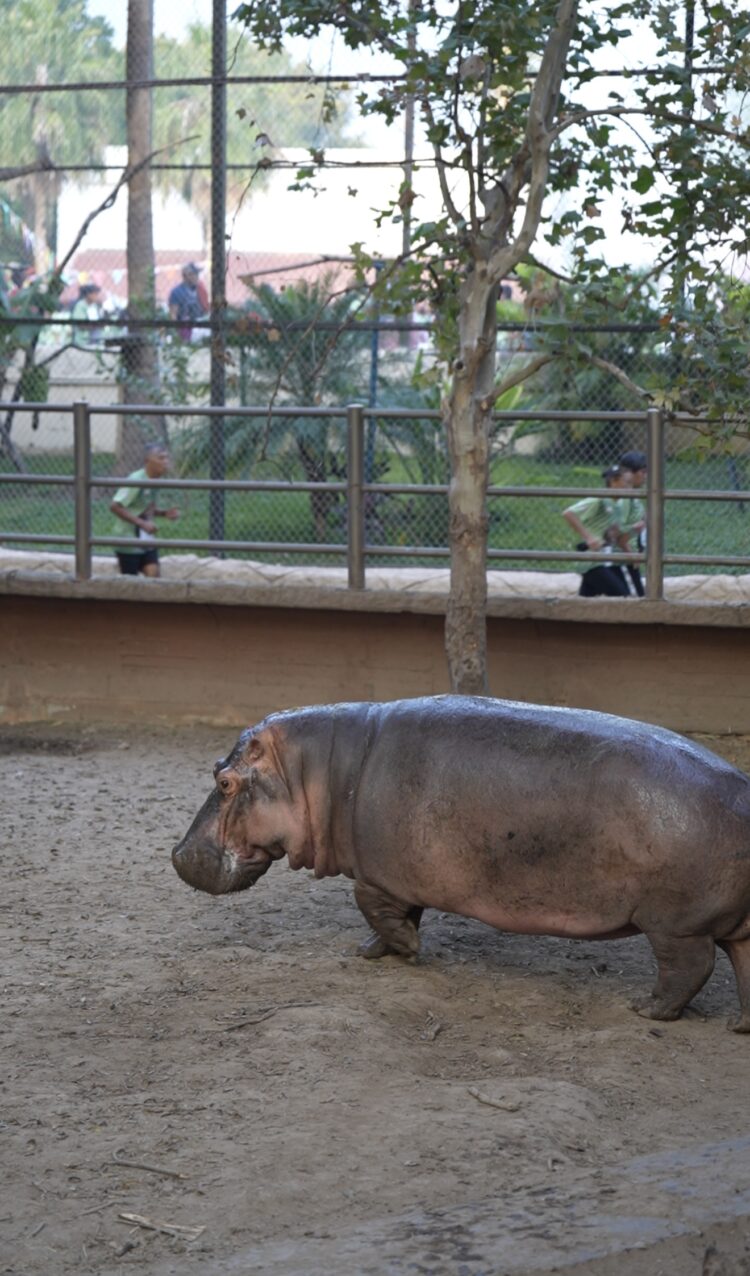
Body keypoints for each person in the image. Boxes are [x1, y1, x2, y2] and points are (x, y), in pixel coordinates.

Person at [110, 443, 179, 577]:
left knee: (153, 576)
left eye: (166, 458)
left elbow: (145, 508)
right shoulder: (136, 479)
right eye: (160, 458)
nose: (165, 462)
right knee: (130, 583)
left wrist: (164, 513)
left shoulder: (155, 480)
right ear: (147, 461)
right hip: (128, 538)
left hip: (146, 538)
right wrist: (142, 524)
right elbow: (115, 506)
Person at [563, 465, 633, 597]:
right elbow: (569, 513)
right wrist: (589, 538)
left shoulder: (618, 505)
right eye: (626, 483)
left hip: (602, 559)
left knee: (586, 600)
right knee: (622, 596)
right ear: (613, 481)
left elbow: (614, 532)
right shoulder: (599, 499)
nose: (630, 488)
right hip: (591, 560)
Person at [617, 449, 648, 596]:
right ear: (630, 473)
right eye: (643, 472)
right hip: (624, 560)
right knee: (635, 600)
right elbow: (617, 531)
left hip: (629, 558)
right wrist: (631, 556)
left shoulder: (631, 495)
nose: (646, 476)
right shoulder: (624, 498)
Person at [168, 262, 207, 340]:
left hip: (202, 324)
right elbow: (173, 315)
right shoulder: (176, 292)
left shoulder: (200, 289)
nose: (197, 277)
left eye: (197, 274)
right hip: (186, 327)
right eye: (194, 274)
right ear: (187, 276)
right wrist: (177, 332)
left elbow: (206, 309)